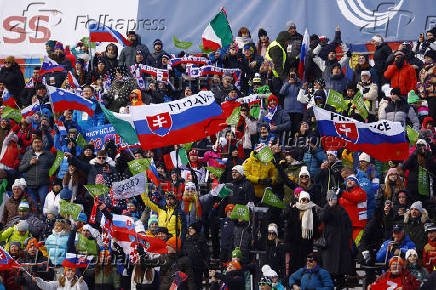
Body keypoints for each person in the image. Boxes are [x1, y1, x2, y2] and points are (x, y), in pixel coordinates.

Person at [319, 190, 353, 288]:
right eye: (331, 198)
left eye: (334, 198)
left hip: (342, 245)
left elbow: (349, 225)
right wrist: (329, 206)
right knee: (328, 273)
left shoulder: (342, 209)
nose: (333, 200)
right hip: (329, 246)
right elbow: (322, 217)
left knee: (340, 274)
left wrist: (347, 236)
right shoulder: (326, 208)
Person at [284, 191, 319, 274]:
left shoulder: (312, 210)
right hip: (295, 243)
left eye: (307, 199)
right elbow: (289, 225)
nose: (305, 201)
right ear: (300, 199)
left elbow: (316, 227)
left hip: (307, 243)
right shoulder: (293, 209)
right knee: (294, 264)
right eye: (303, 199)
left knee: (305, 264)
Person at [19, 135, 55, 207]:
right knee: (33, 205)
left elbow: (56, 168)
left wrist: (51, 172)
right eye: (35, 142)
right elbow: (20, 169)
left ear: (42, 143)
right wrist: (30, 163)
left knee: (44, 203)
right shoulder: (27, 154)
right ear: (32, 144)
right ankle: (34, 218)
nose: (37, 144)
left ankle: (45, 218)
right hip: (30, 184)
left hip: (44, 183)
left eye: (39, 142)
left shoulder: (49, 154)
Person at [339, 174, 368, 246]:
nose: (349, 182)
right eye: (348, 181)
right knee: (347, 248)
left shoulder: (361, 192)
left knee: (355, 247)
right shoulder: (345, 195)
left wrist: (341, 192)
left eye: (352, 180)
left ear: (356, 182)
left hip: (359, 226)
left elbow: (354, 198)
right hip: (347, 226)